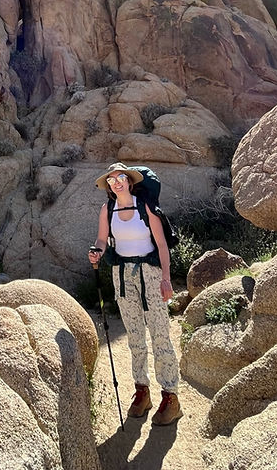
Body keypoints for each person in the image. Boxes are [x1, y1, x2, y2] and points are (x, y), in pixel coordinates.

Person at [88, 162, 182, 425]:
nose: (116, 182)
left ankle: (170, 396)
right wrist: (97, 252)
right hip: (122, 277)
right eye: (111, 180)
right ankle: (142, 391)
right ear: (108, 185)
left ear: (129, 181)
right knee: (135, 337)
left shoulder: (146, 206)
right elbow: (102, 240)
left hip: (150, 275)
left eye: (120, 177)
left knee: (160, 334)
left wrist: (166, 279)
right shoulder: (107, 209)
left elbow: (162, 244)